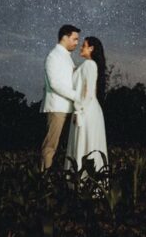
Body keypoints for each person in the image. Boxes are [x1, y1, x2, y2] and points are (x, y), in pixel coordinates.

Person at [40, 24, 82, 171]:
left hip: (68, 107)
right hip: (57, 108)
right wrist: (77, 96)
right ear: (64, 37)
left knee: (65, 147)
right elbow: (55, 84)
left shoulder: (67, 57)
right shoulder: (53, 56)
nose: (77, 43)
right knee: (51, 146)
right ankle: (44, 179)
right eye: (75, 39)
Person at [65, 36, 108, 177]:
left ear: (91, 49)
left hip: (86, 111)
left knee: (84, 144)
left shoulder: (89, 64)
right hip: (88, 109)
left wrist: (79, 111)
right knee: (87, 144)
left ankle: (83, 184)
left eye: (84, 45)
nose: (81, 47)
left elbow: (88, 92)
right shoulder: (88, 65)